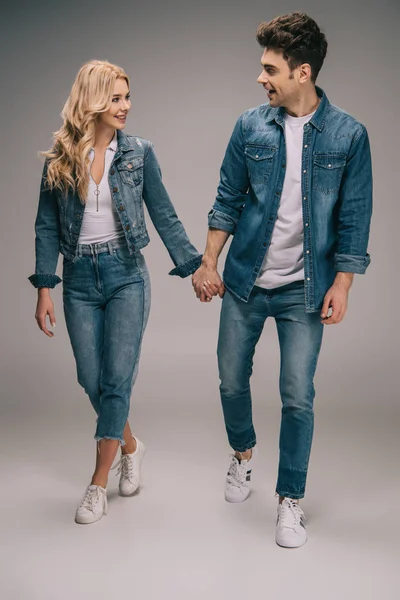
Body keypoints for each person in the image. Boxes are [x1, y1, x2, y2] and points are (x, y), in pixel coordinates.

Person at [192, 12, 372, 548]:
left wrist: (343, 284)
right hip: (246, 281)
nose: (260, 77)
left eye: (269, 68)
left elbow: (354, 218)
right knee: (229, 379)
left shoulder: (349, 135)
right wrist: (209, 263)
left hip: (305, 289)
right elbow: (227, 198)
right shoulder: (249, 126)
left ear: (303, 71)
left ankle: (289, 499)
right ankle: (242, 455)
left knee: (297, 395)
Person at [29, 60, 202, 525]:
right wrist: (45, 287)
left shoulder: (139, 153)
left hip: (127, 274)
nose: (126, 106)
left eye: (127, 97)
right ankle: (131, 446)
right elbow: (47, 227)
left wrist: (195, 267)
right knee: (92, 379)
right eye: (116, 98)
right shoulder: (61, 157)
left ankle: (97, 483)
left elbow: (163, 214)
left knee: (117, 380)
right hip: (79, 279)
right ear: (93, 100)